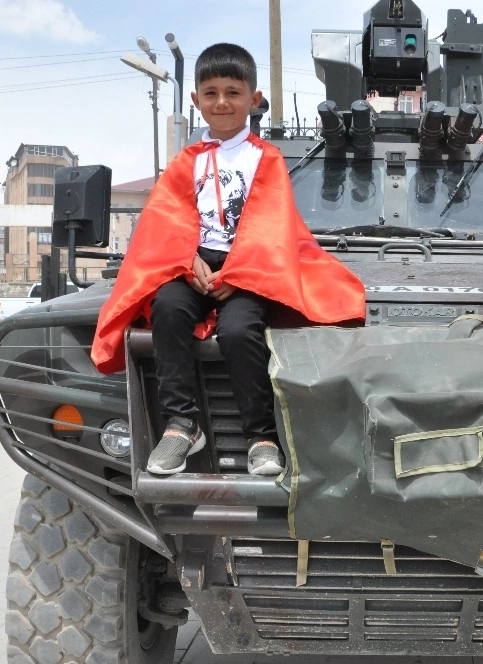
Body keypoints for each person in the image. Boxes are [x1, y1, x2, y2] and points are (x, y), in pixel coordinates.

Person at [91, 43, 365, 477]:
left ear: (253, 100)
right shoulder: (185, 161)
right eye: (211, 92)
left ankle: (261, 435)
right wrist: (185, 262)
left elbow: (270, 224)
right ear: (197, 100)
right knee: (167, 308)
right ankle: (181, 425)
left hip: (247, 271)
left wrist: (238, 273)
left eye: (234, 92)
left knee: (240, 330)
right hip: (193, 264)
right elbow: (166, 220)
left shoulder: (267, 158)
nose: (222, 102)